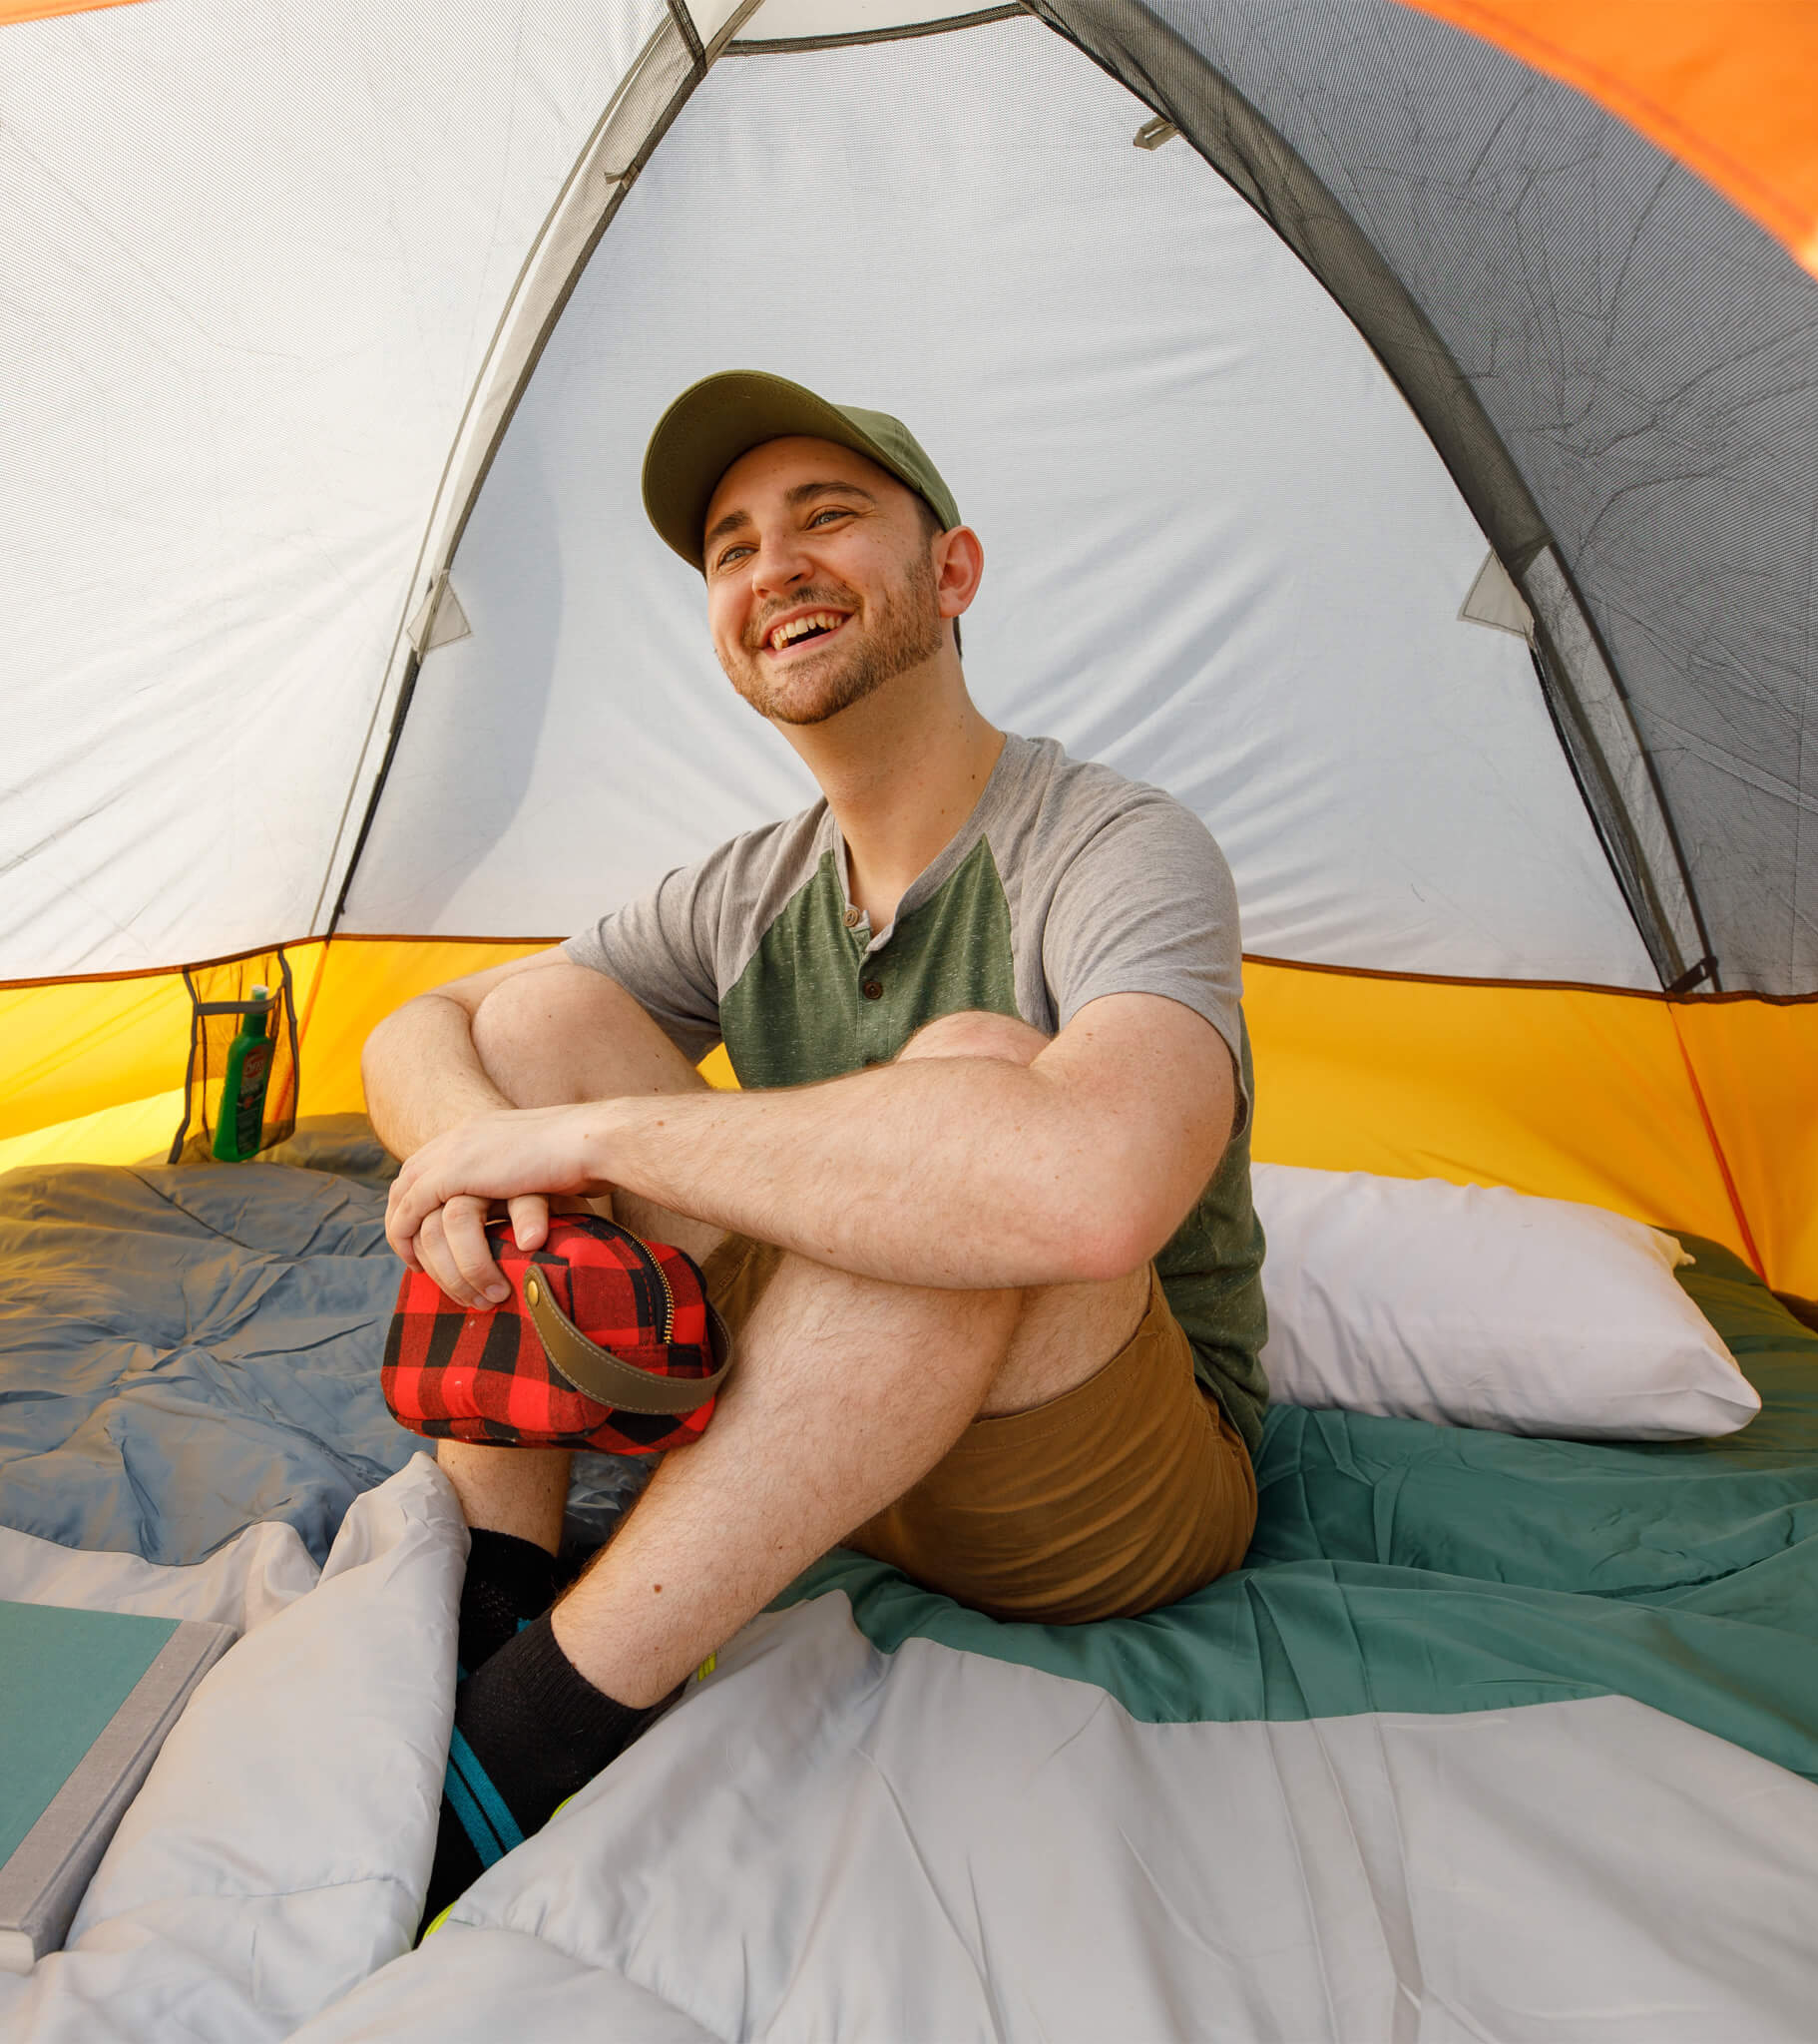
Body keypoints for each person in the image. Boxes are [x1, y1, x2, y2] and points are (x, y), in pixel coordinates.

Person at [364, 370, 1267, 1919]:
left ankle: (539, 1730)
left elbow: (1094, 1192)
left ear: (952, 573)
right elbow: (422, 1032)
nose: (771, 565)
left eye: (827, 518)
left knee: (975, 1094)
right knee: (536, 1023)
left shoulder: (1119, 844)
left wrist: (582, 1137)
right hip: (831, 1428)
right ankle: (494, 1604)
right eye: (729, 546)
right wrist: (479, 1144)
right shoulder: (752, 882)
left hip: (1099, 1478)